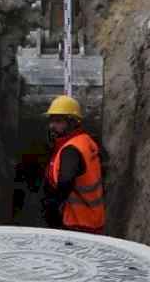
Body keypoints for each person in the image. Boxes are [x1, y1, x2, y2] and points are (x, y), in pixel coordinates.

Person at [41, 95, 105, 234]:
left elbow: (65, 181)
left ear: (72, 122)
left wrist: (53, 207)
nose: (52, 126)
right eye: (51, 120)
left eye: (58, 121)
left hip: (77, 222)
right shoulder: (85, 140)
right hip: (93, 218)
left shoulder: (71, 150)